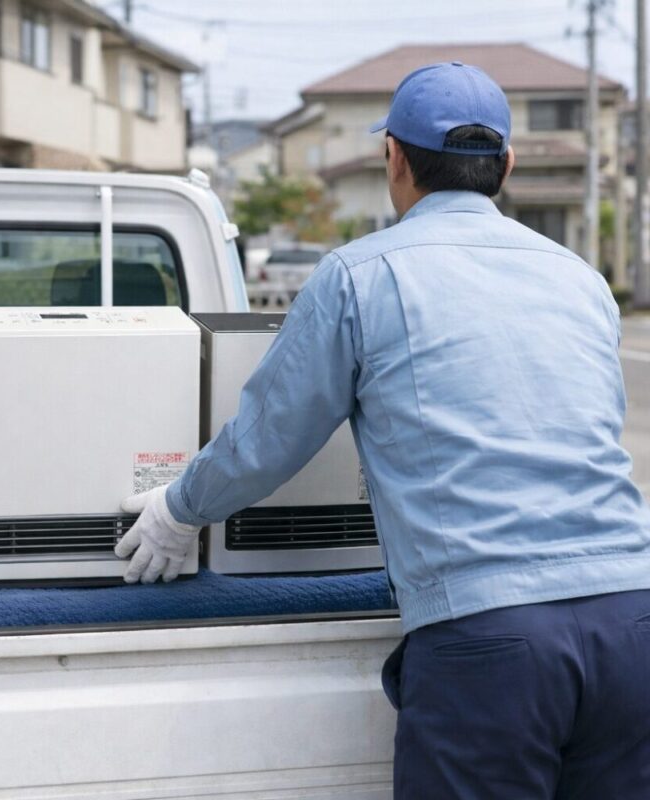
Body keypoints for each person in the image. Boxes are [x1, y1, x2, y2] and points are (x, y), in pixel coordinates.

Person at [116, 62, 650, 798]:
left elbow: (272, 436)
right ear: (507, 164)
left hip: (490, 636)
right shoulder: (580, 278)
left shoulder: (359, 274)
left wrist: (178, 511)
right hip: (633, 620)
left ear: (394, 158)